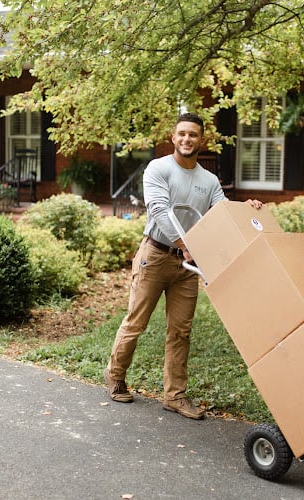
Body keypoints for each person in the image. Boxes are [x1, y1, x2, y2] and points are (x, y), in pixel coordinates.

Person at [103, 112, 263, 419]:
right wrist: (186, 245)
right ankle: (115, 375)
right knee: (136, 323)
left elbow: (223, 214)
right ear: (173, 138)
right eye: (182, 134)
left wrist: (248, 207)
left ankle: (174, 396)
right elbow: (160, 211)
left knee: (181, 332)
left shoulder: (209, 180)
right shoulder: (158, 168)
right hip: (157, 255)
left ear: (201, 140)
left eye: (193, 135)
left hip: (187, 268)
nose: (187, 139)